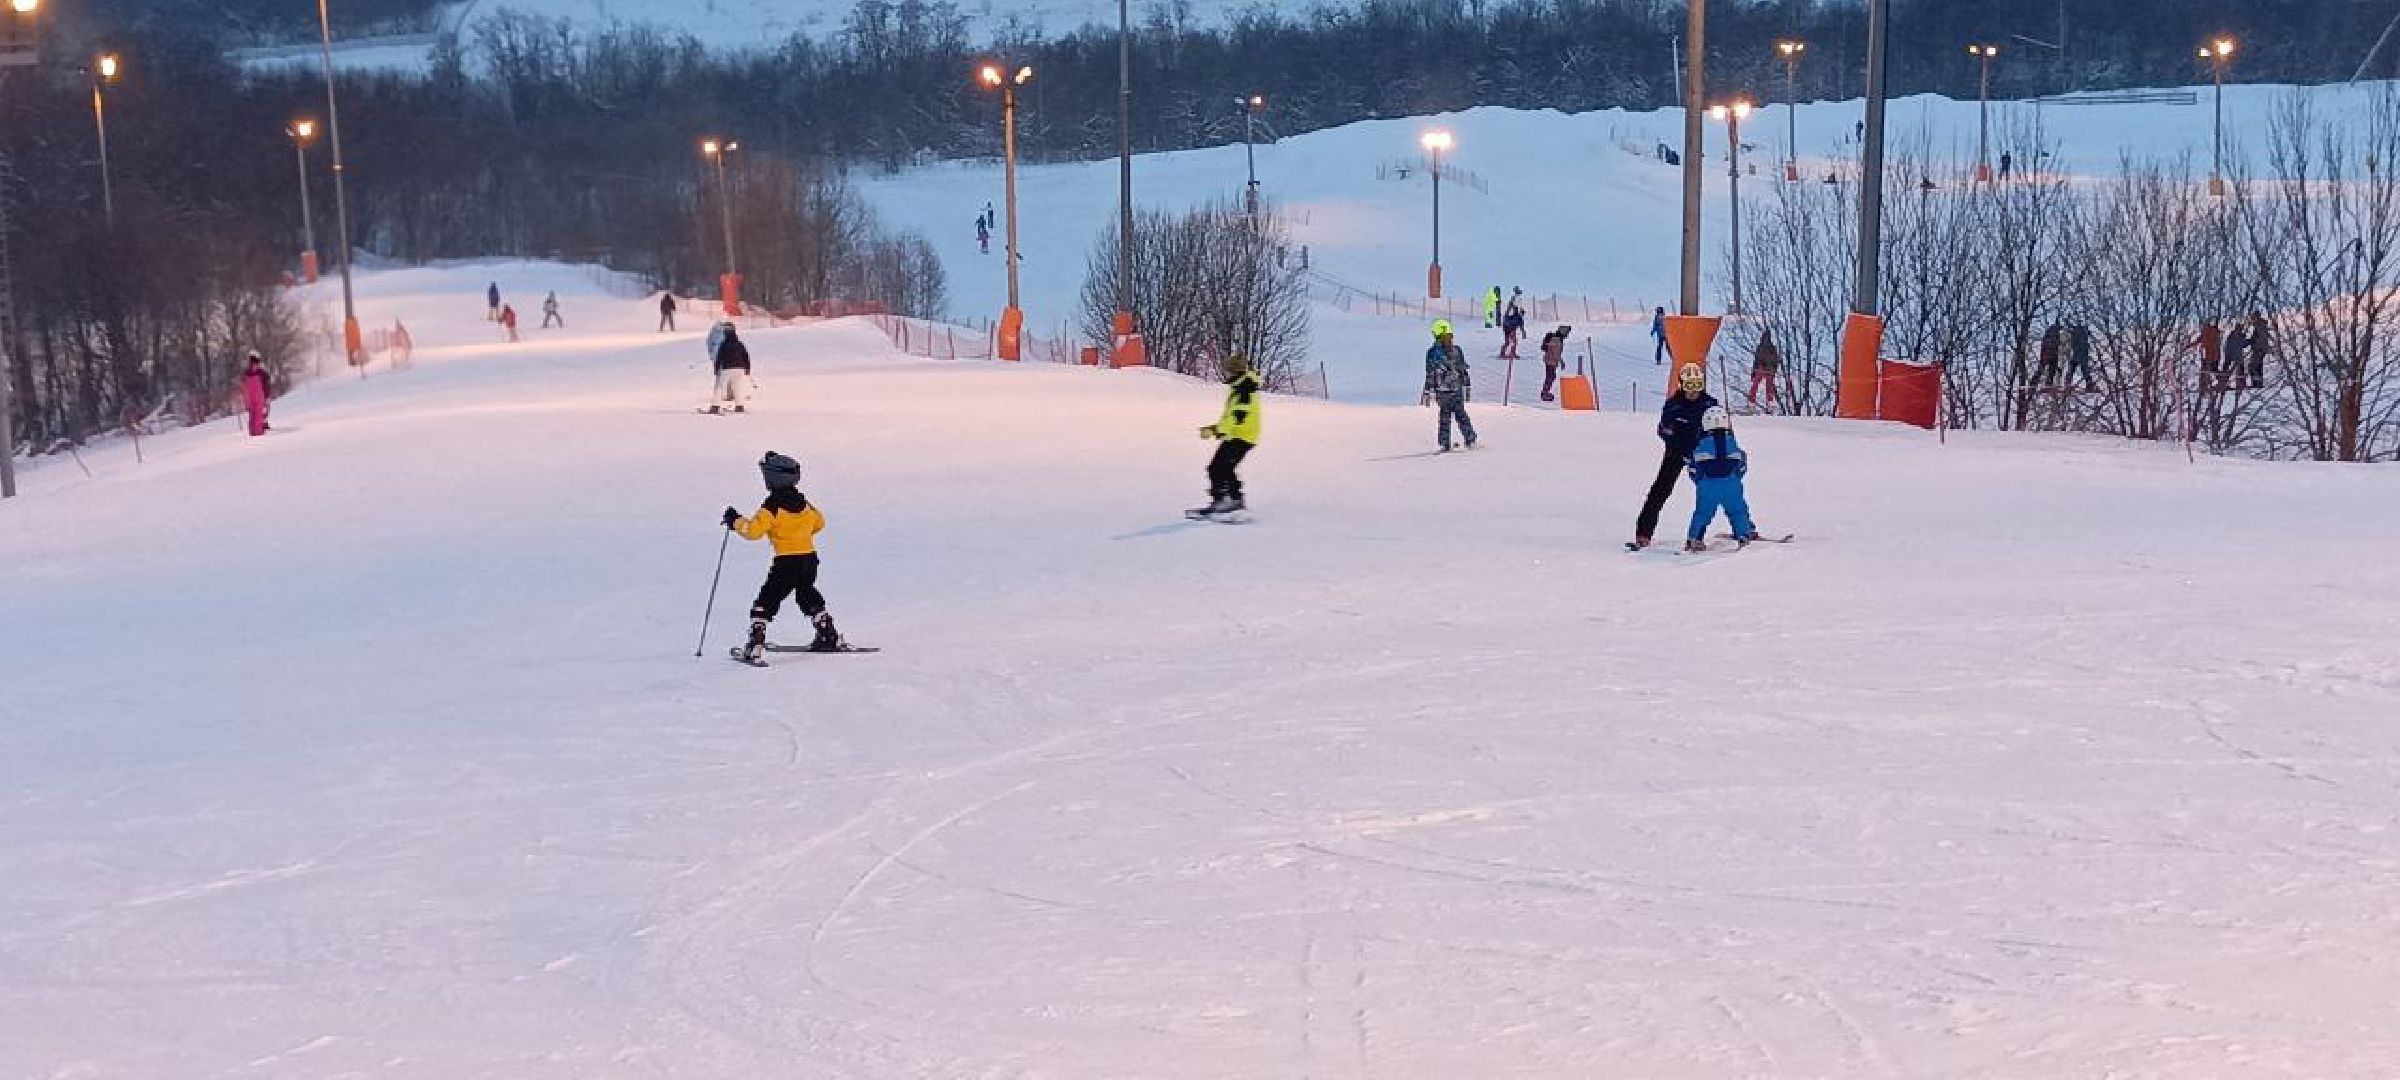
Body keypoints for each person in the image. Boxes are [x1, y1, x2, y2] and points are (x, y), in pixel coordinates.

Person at [724, 451, 845, 661]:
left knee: (768, 598)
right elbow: (820, 522)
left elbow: (753, 532)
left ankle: (755, 642)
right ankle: (828, 633)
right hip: (809, 559)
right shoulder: (803, 502)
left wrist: (735, 521)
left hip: (786, 562)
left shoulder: (771, 506)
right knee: (806, 594)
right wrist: (800, 534)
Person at [1631, 362, 1717, 549]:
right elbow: (1663, 430)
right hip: (1676, 452)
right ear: (1682, 384)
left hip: (1702, 452)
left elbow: (1721, 428)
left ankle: (1741, 527)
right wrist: (1678, 442)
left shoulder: (1709, 404)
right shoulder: (1674, 405)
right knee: (1660, 490)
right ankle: (1644, 533)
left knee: (1720, 487)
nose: (1694, 391)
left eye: (1697, 385)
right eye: (1689, 386)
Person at [1191, 351, 1262, 518]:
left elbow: (1237, 417)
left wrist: (1216, 430)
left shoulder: (1245, 391)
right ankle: (1235, 500)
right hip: (1239, 435)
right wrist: (1216, 427)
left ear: (1235, 372)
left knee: (1216, 468)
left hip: (1242, 437)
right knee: (1225, 468)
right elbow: (1232, 418)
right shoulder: (1241, 387)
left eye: (1228, 371)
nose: (1226, 374)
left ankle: (1223, 501)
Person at [1684, 406, 1759, 552]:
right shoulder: (1731, 442)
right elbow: (1742, 463)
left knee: (1702, 513)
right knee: (1737, 511)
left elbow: (1693, 467)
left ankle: (1694, 538)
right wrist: (1736, 477)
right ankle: (1743, 534)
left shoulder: (1700, 444)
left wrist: (1699, 481)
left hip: (1707, 485)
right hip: (1731, 484)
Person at [1423, 319, 1477, 452]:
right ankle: (1470, 439)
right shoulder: (1457, 350)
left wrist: (1427, 391)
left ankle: (1444, 442)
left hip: (1441, 391)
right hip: (1455, 389)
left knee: (1444, 417)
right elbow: (1463, 370)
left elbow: (1430, 373)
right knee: (1461, 415)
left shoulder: (1432, 353)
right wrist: (1467, 386)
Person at [710, 323, 752, 414]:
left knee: (720, 387)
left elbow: (719, 358)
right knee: (737, 387)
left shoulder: (724, 344)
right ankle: (739, 406)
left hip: (727, 368)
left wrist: (716, 369)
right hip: (740, 368)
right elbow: (746, 356)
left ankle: (715, 407)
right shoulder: (740, 344)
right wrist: (748, 369)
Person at [1748, 327, 1781, 412]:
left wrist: (1754, 371)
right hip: (1769, 369)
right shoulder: (1772, 347)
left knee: (1756, 384)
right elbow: (1776, 359)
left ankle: (1752, 402)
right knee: (1768, 386)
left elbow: (1757, 359)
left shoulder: (1762, 347)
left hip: (1762, 367)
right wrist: (1774, 369)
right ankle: (1769, 402)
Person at [240, 351, 271, 437]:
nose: (253, 365)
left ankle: (258, 432)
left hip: (259, 398)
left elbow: (266, 385)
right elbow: (243, 387)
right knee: (253, 416)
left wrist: (267, 396)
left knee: (258, 415)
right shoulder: (247, 374)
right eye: (252, 363)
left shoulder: (262, 373)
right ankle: (255, 434)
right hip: (251, 399)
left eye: (255, 363)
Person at [1539, 325, 1568, 402]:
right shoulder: (1557, 339)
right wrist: (1561, 362)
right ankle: (1545, 393)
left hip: (1549, 359)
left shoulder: (1554, 338)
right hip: (1551, 360)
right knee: (1550, 377)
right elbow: (1556, 353)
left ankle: (1545, 392)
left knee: (1550, 376)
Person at [2245, 311, 2272, 388]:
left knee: (2253, 366)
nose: (2252, 319)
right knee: (2258, 366)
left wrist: (2254, 343)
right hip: (2261, 349)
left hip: (2259, 349)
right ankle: (2259, 383)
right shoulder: (2261, 325)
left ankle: (2256, 383)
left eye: (2253, 318)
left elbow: (2260, 338)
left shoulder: (2259, 325)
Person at [2224, 321, 2252, 392]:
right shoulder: (2238, 336)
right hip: (2236, 354)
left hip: (2228, 354)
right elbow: (2244, 343)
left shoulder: (2231, 335)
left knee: (2226, 368)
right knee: (2241, 368)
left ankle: (2223, 383)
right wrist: (2251, 340)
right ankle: (2241, 383)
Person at [2037, 322, 2063, 387]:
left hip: (2050, 354)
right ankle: (2037, 382)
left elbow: (2056, 344)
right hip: (2048, 353)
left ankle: (2048, 382)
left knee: (2050, 369)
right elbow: (2051, 343)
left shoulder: (2052, 333)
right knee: (2045, 368)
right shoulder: (2052, 333)